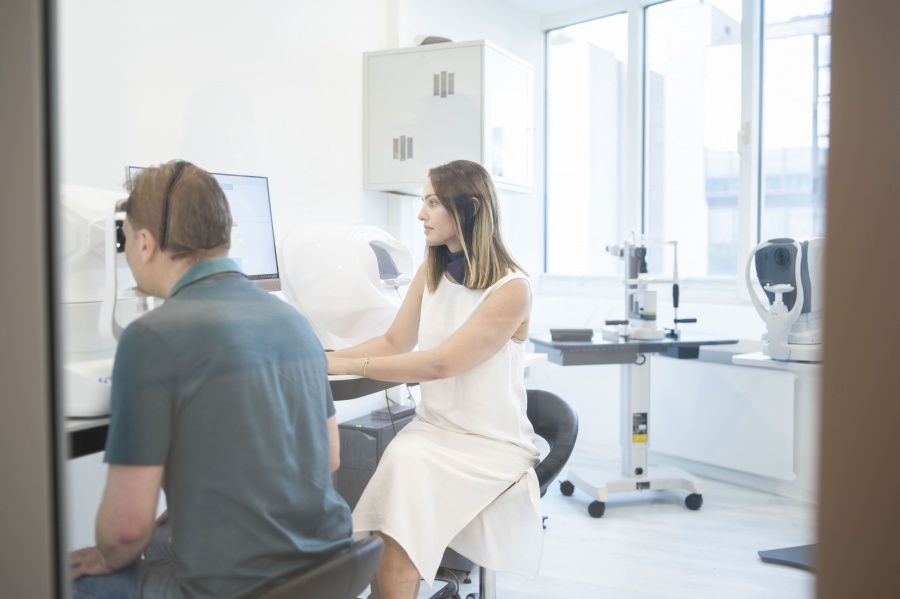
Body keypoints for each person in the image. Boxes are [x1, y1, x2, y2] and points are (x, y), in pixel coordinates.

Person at [69, 160, 352, 599]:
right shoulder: (295, 322)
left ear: (143, 243)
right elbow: (330, 456)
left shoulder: (152, 338)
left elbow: (125, 533)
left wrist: (110, 556)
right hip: (328, 572)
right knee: (162, 539)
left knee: (67, 579)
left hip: (239, 589)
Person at [326, 159, 542, 599]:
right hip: (432, 431)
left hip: (487, 445)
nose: (420, 214)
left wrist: (345, 366)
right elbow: (393, 342)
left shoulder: (511, 289)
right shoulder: (431, 272)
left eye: (432, 203)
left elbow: (437, 364)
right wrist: (326, 355)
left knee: (396, 510)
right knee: (385, 528)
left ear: (470, 208)